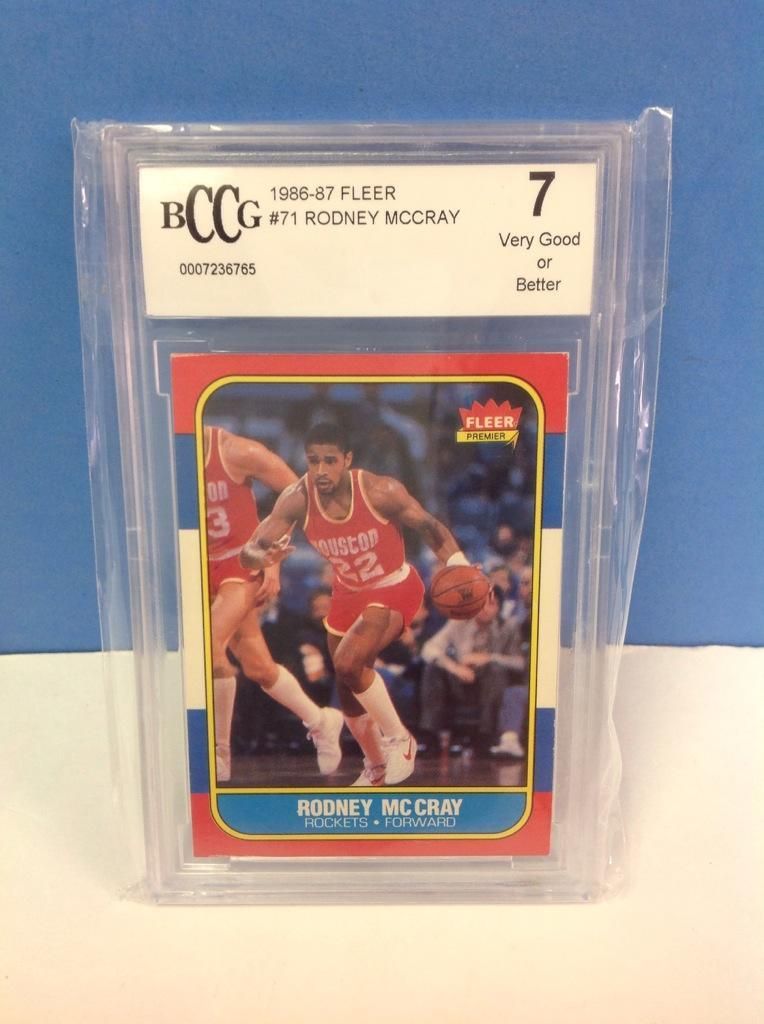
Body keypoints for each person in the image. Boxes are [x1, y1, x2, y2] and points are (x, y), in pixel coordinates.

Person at [241, 421, 469, 786]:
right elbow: (250, 552)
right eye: (313, 460)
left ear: (347, 459)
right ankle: (376, 766)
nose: (320, 469)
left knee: (349, 662)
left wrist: (459, 564)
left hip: (393, 586)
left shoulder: (380, 491)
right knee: (347, 689)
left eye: (329, 460)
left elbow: (429, 526)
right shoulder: (297, 499)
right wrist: (263, 557)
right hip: (348, 592)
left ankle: (401, 740)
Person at [203, 425, 343, 782]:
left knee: (208, 644)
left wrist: (272, 558)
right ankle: (321, 720)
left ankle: (219, 756)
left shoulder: (236, 452)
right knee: (259, 669)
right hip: (199, 565)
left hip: (241, 562)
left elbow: (299, 493)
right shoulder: (169, 457)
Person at [418, 587, 526, 753]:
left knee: (495, 670)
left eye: (491, 604)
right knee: (433, 668)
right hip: (460, 680)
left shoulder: (508, 627)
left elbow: (520, 663)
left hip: (490, 684)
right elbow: (429, 648)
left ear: (498, 608)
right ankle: (430, 736)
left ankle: (484, 736)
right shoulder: (458, 622)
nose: (485, 609)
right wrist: (454, 668)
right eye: (480, 604)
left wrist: (489, 657)